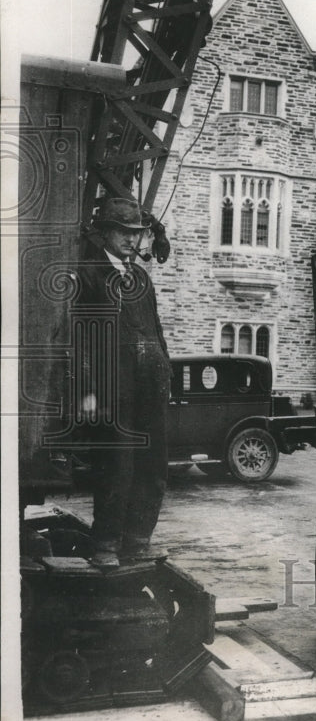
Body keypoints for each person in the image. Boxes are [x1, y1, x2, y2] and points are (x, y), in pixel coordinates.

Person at [76, 197, 172, 567]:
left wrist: (166, 370)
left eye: (137, 233)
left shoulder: (142, 278)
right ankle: (106, 545)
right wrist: (86, 393)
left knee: (153, 464)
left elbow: (155, 330)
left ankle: (137, 540)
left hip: (150, 385)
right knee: (117, 465)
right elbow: (80, 340)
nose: (132, 241)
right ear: (105, 234)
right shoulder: (88, 275)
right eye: (123, 233)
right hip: (112, 389)